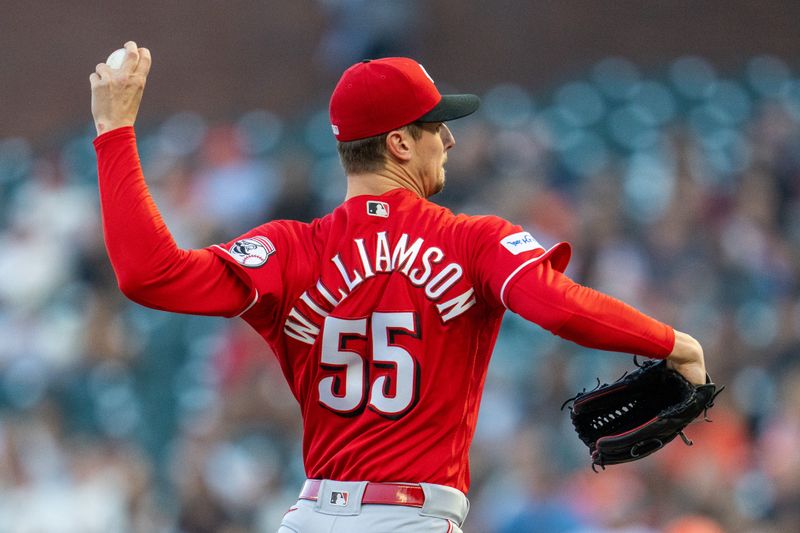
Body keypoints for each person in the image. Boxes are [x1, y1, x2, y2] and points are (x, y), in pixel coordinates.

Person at [90, 42, 707, 532]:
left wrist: (115, 133)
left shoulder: (290, 249)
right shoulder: (472, 240)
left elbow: (149, 274)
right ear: (399, 142)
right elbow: (555, 306)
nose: (451, 138)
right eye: (437, 125)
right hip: (411, 517)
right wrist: (671, 343)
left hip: (310, 518)